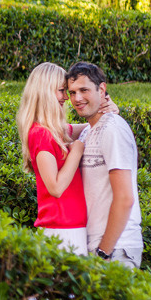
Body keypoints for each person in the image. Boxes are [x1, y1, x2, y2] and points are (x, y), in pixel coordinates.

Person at [66, 62, 143, 269]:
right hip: (96, 248)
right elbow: (51, 129)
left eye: (84, 90)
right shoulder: (87, 132)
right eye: (72, 92)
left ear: (102, 89)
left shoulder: (113, 129)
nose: (77, 98)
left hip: (116, 249)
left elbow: (125, 199)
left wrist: (103, 252)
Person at [15, 63, 92, 255]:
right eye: (61, 91)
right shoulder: (40, 134)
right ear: (46, 92)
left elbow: (86, 126)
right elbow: (55, 188)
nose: (66, 97)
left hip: (71, 229)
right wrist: (76, 151)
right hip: (61, 233)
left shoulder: (55, 131)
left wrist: (106, 110)